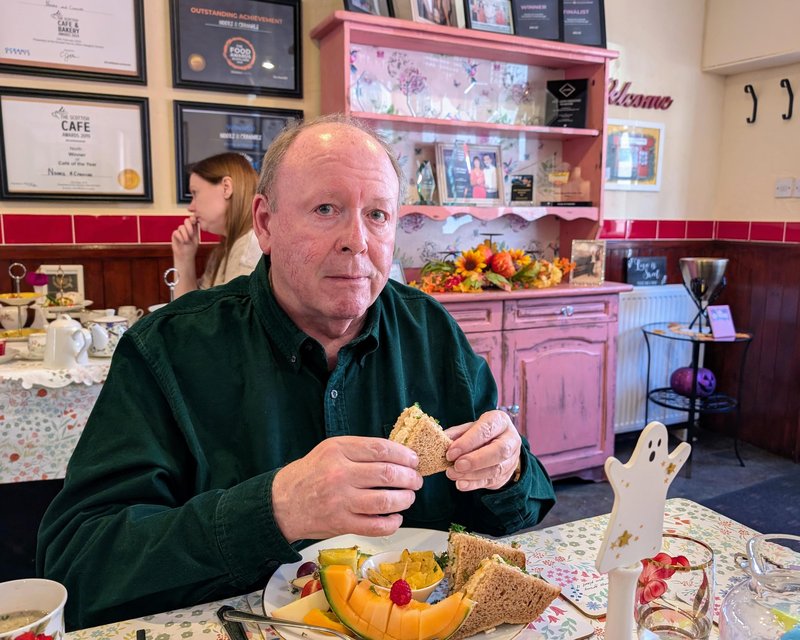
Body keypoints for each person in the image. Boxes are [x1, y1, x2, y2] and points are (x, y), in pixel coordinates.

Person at [37, 115, 555, 629]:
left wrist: (504, 470)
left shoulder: (431, 330)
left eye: (378, 215)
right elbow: (78, 564)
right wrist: (274, 509)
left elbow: (528, 504)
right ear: (265, 223)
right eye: (326, 209)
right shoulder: (169, 348)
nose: (357, 240)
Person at [171, 152, 260, 299]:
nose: (191, 207)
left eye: (195, 193)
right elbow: (192, 311)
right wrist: (183, 257)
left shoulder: (251, 248)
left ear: (226, 187)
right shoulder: (224, 249)